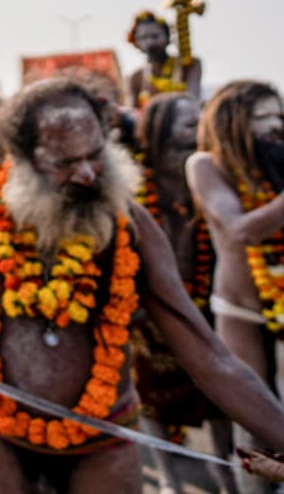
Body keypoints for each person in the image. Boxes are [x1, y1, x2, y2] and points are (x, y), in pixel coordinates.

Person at [0, 77, 284, 493]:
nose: (85, 174)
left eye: (95, 154)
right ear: (19, 158)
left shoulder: (130, 226)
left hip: (104, 439)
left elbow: (210, 355)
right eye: (63, 163)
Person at [129, 93, 236, 493]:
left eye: (200, 123)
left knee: (221, 397)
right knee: (155, 398)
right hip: (150, 314)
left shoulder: (213, 175)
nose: (197, 134)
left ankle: (225, 473)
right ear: (159, 130)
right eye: (188, 125)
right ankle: (170, 480)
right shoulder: (135, 184)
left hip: (208, 305)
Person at [186, 80, 284, 494]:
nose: (276, 124)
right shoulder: (206, 165)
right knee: (254, 424)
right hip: (238, 309)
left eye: (280, 114)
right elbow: (240, 229)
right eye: (264, 117)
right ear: (233, 120)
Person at [127, 10, 201, 109]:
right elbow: (132, 111)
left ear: (168, 38)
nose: (149, 43)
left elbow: (192, 100)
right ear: (136, 43)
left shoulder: (189, 65)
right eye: (143, 38)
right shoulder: (136, 77)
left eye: (155, 36)